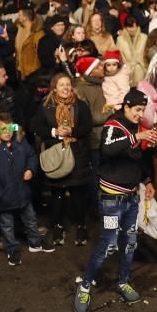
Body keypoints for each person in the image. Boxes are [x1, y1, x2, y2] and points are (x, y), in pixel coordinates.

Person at [74, 89, 157, 312]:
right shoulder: (114, 125)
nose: (140, 114)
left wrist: (147, 179)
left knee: (130, 241)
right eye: (137, 109)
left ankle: (123, 281)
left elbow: (136, 159)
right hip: (112, 198)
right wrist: (137, 137)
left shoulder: (135, 127)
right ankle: (84, 286)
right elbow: (109, 149)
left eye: (143, 110)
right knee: (109, 243)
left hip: (131, 197)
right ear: (126, 106)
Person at [0, 114, 56, 266]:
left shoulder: (21, 143)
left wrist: (30, 170)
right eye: (3, 129)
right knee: (7, 226)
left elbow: (32, 157)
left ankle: (36, 242)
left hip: (22, 192)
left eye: (10, 128)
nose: (7, 132)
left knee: (30, 219)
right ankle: (12, 249)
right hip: (3, 198)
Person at [31, 72, 93, 246]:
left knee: (77, 193)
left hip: (77, 153)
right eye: (61, 85)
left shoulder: (80, 105)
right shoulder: (46, 106)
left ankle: (81, 226)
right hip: (56, 154)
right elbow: (35, 126)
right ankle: (57, 227)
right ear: (54, 88)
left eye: (68, 84)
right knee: (57, 193)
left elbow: (87, 126)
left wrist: (72, 132)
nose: (65, 88)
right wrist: (54, 132)